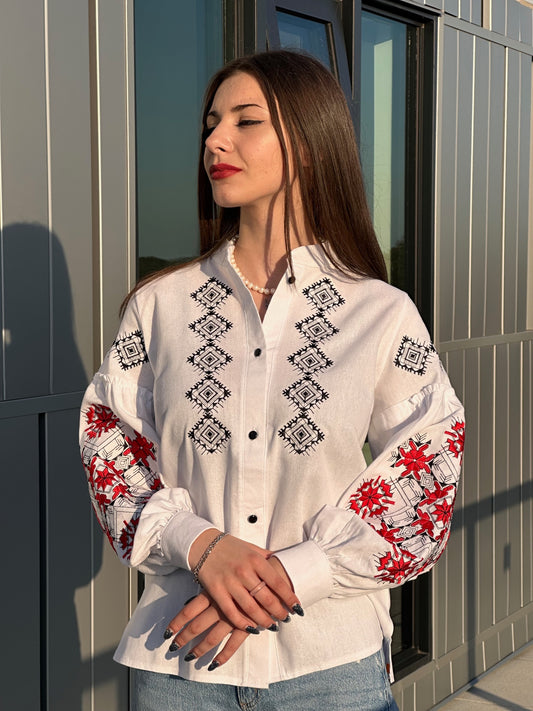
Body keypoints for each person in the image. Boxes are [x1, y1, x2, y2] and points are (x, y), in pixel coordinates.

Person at [79, 50, 464, 711]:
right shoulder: (159, 306)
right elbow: (109, 446)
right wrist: (200, 544)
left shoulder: (379, 312)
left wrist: (291, 574)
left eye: (244, 120)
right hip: (179, 666)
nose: (214, 140)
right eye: (209, 123)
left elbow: (427, 470)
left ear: (309, 143)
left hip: (329, 668)